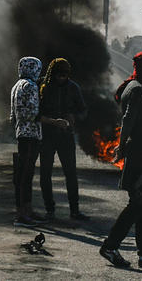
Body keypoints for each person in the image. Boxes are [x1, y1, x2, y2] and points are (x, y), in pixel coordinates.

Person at [98, 52, 142, 269]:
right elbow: (128, 119)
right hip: (140, 154)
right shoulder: (137, 89)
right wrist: (121, 147)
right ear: (140, 68)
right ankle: (110, 246)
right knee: (138, 204)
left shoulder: (131, 86)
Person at [11, 56, 66, 226]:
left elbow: (13, 116)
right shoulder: (31, 86)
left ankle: (26, 210)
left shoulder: (17, 86)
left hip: (22, 134)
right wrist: (55, 122)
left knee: (24, 175)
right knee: (25, 176)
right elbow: (32, 114)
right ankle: (22, 215)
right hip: (31, 136)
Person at [38, 58, 89, 220]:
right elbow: (36, 112)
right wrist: (52, 121)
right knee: (45, 173)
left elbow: (83, 110)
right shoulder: (43, 87)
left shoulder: (73, 88)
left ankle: (75, 210)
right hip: (47, 135)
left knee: (71, 173)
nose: (62, 77)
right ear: (53, 73)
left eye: (65, 75)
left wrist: (74, 117)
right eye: (59, 74)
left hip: (66, 136)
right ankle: (49, 209)